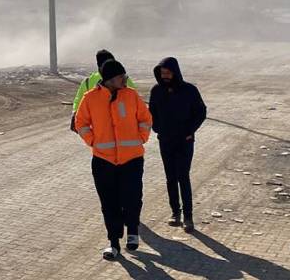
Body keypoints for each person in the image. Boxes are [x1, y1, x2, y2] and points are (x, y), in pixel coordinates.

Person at [75, 59, 152, 260]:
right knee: (109, 202)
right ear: (110, 79)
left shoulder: (132, 95)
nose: (125, 79)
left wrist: (141, 138)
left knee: (132, 197)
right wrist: (92, 141)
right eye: (121, 76)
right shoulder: (90, 98)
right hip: (103, 160)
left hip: (132, 159)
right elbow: (81, 122)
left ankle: (133, 232)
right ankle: (113, 242)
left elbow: (145, 119)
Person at [149, 57, 206, 233]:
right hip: (165, 141)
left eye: (167, 73)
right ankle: (175, 213)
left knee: (183, 177)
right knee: (170, 178)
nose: (164, 76)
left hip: (184, 141)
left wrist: (190, 131)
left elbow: (201, 112)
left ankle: (188, 216)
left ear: (175, 72)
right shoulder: (157, 91)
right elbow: (151, 112)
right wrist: (157, 128)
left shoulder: (189, 90)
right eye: (162, 73)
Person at [70, 49, 135, 132]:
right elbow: (79, 101)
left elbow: (135, 101)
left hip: (112, 129)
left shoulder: (88, 82)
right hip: (109, 129)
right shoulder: (88, 82)